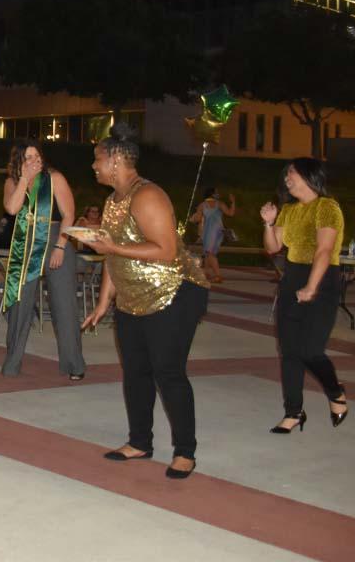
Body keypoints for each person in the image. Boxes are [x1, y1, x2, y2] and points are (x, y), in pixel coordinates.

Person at [82, 124, 209, 480]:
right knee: (135, 371)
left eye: (97, 159)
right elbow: (114, 257)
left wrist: (112, 248)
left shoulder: (147, 195)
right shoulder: (112, 201)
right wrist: (105, 300)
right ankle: (140, 442)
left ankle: (185, 451)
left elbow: (167, 251)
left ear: (117, 160)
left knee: (168, 371)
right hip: (133, 297)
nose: (93, 166)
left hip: (176, 292)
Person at [259, 158, 349, 433]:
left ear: (310, 176)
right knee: (288, 351)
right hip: (292, 280)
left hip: (321, 281)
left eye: (292, 173)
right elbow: (273, 248)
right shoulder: (288, 210)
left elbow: (324, 250)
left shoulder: (327, 207)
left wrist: (311, 287)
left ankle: (336, 394)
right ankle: (293, 412)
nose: (287, 178)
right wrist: (269, 223)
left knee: (310, 350)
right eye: (286, 174)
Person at [0, 140, 86, 380]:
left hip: (56, 241)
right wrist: (25, 180)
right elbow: (12, 209)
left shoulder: (55, 178)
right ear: (19, 161)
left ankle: (74, 364)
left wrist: (60, 245)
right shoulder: (12, 182)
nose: (34, 161)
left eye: (37, 156)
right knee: (20, 303)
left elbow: (69, 213)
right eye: (27, 157)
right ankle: (12, 362)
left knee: (64, 305)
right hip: (25, 245)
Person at [190, 187, 236, 283]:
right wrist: (233, 202)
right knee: (209, 253)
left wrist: (193, 218)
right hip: (219, 231)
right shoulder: (220, 204)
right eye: (216, 193)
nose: (218, 194)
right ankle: (206, 273)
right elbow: (231, 213)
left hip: (209, 231)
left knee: (210, 253)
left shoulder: (202, 205)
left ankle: (218, 276)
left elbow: (197, 219)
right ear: (212, 194)